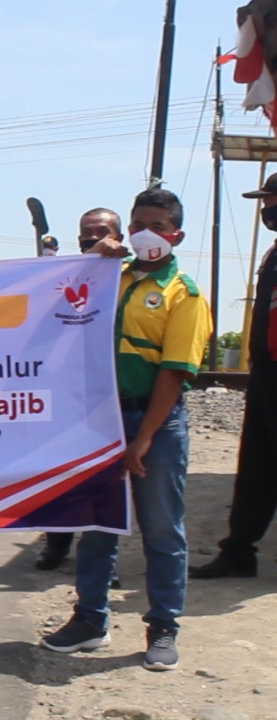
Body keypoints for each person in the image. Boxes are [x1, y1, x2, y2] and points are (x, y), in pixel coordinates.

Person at [40, 188, 212, 672]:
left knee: (161, 529)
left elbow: (174, 373)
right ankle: (90, 620)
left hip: (154, 422)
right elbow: (52, 302)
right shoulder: (108, 277)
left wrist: (142, 440)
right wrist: (94, 259)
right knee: (98, 524)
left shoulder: (184, 294)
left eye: (158, 226)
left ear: (176, 234)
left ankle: (163, 627)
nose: (146, 234)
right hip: (101, 418)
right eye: (139, 225)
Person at [191, 172, 277, 579]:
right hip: (266, 372)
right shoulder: (273, 253)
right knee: (256, 466)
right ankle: (239, 551)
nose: (266, 208)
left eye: (270, 200)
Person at [35, 208, 126, 576]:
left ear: (119, 236)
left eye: (101, 232)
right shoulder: (67, 276)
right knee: (62, 472)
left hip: (112, 395)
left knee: (106, 481)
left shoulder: (128, 276)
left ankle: (104, 563)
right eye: (86, 233)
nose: (93, 239)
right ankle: (57, 543)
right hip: (70, 392)